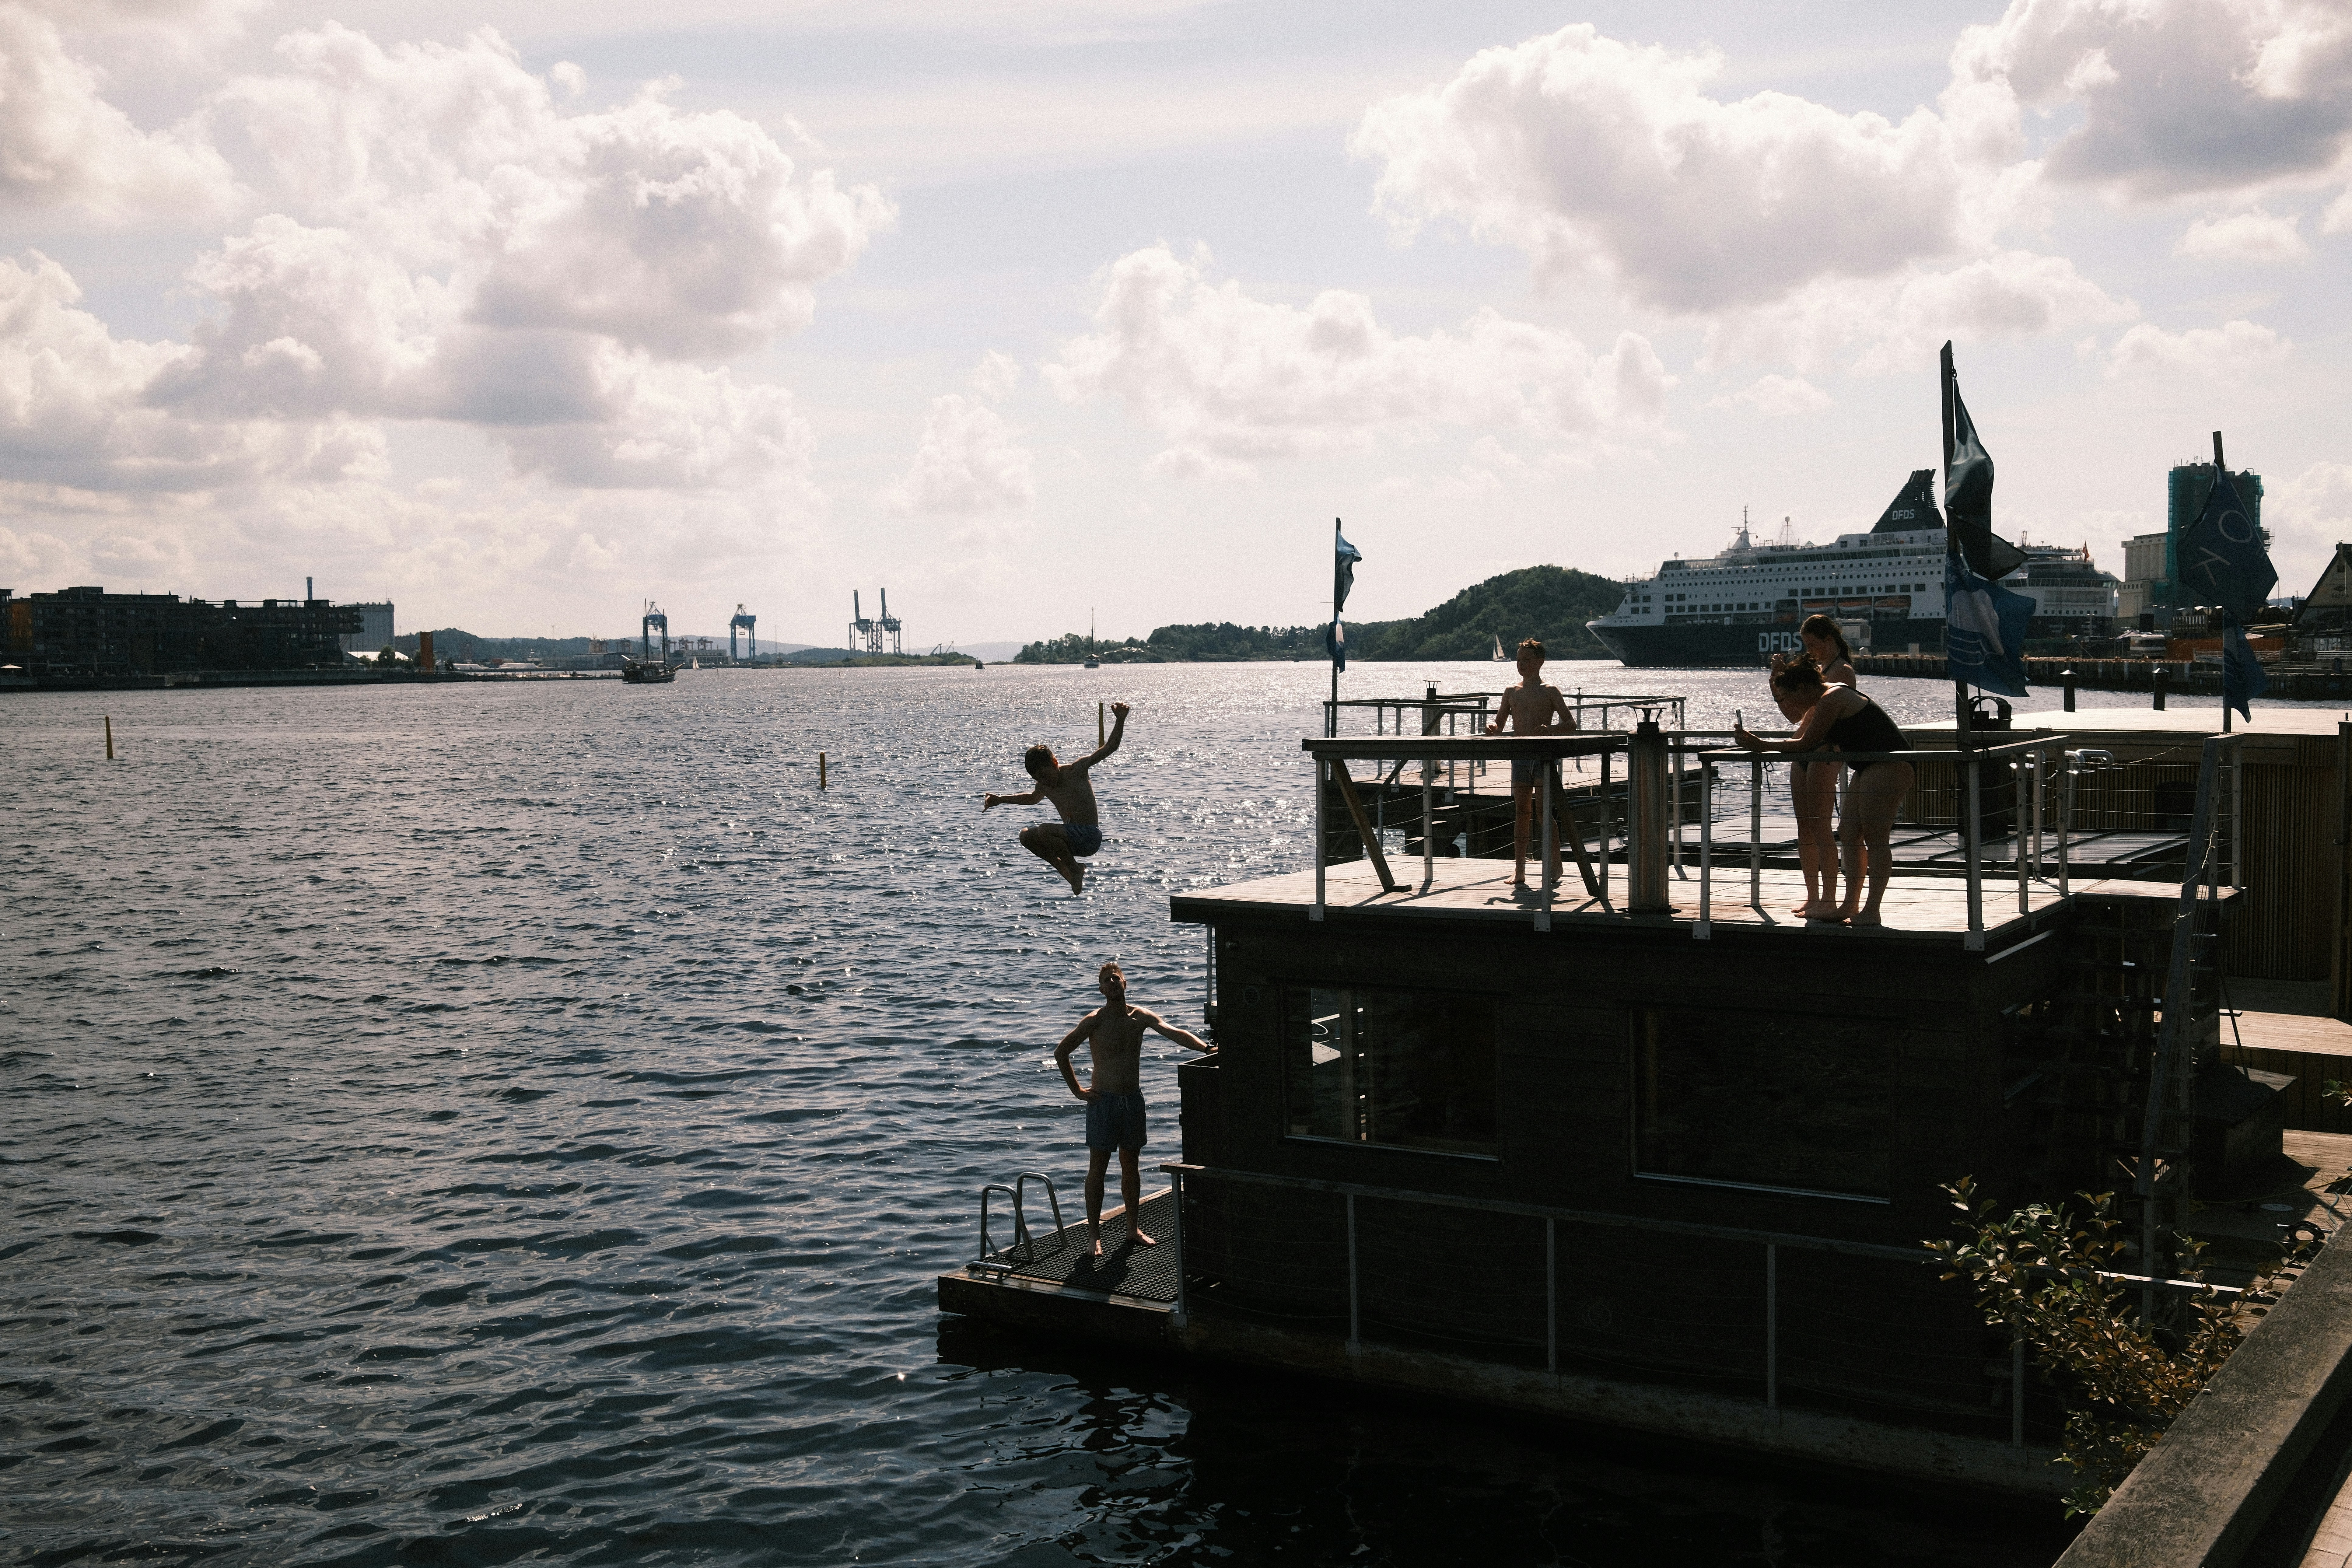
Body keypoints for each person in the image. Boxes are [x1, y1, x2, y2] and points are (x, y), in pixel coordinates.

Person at [1732, 658, 1913, 926]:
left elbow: (1807, 743)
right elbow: (1801, 730)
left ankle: (1872, 910)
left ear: (1804, 687)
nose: (1793, 705)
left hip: (1890, 764)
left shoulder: (1833, 696)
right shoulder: (1826, 695)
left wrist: (1762, 745)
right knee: (1850, 833)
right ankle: (1850, 905)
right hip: (1868, 766)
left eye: (1792, 697)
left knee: (1876, 839)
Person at [1052, 961, 1214, 1255]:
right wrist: (1078, 1091)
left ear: (1125, 984)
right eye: (1106, 981)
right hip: (1104, 1103)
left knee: (1131, 1165)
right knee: (1098, 1169)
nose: (1112, 983)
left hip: (1133, 1102)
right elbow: (1061, 1052)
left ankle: (1132, 1229)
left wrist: (1206, 1049)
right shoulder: (1094, 1021)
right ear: (1101, 989)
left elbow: (1174, 1032)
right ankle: (1093, 1237)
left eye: (1116, 978)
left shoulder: (1141, 1017)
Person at [984, 702, 1129, 894]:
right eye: (1038, 779)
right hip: (1069, 841)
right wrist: (1000, 799)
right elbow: (1031, 799)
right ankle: (1065, 869)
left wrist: (1120, 719)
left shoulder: (1077, 771)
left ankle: (1075, 868)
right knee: (1026, 835)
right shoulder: (1044, 786)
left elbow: (1109, 748)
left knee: (1045, 830)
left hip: (1089, 836)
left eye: (1045, 775)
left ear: (1054, 763)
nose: (1044, 782)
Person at [1483, 638, 1578, 888]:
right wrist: (1494, 727)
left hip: (1543, 756)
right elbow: (1500, 723)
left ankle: (1555, 863)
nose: (1521, 664)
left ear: (1540, 662)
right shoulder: (1511, 692)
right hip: (1520, 757)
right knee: (1521, 812)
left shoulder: (1550, 691)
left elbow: (1571, 724)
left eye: (1526, 660)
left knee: (1543, 812)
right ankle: (1520, 868)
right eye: (1518, 660)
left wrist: (1551, 730)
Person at [1785, 616, 1857, 918]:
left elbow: (1829, 713)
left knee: (1821, 826)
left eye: (1813, 644)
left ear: (1830, 639)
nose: (1810, 651)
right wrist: (1779, 683)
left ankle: (1829, 897)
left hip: (1826, 750)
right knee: (1805, 828)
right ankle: (1813, 895)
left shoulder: (1843, 671)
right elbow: (1796, 715)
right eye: (1806, 646)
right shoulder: (1818, 671)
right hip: (1803, 748)